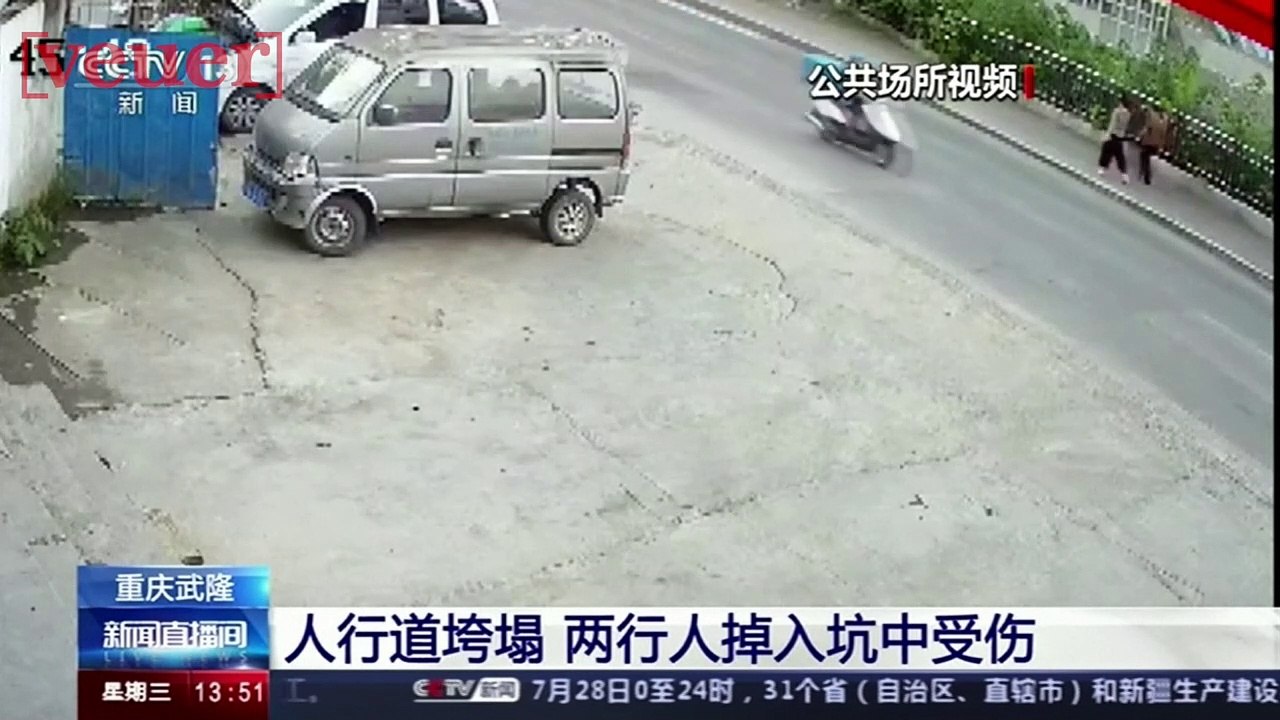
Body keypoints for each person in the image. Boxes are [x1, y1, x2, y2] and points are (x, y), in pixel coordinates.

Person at [1097, 96, 1132, 184]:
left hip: (1113, 135)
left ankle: (1102, 169)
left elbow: (1112, 124)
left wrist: (1107, 135)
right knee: (1120, 157)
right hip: (1120, 137)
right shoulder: (1128, 114)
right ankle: (1124, 175)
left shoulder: (1117, 112)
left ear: (1121, 103)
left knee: (1106, 152)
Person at [1138, 104, 1170, 185]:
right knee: (1145, 156)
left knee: (1144, 156)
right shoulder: (1164, 120)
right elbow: (1163, 134)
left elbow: (1148, 127)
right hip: (1156, 143)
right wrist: (1161, 146)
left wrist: (1140, 135)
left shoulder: (1153, 117)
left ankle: (1146, 175)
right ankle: (1143, 172)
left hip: (1149, 141)